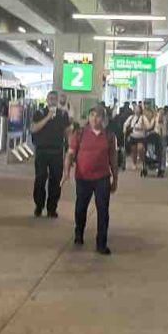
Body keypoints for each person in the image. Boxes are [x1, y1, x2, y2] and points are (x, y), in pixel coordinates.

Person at [64, 104, 118, 255]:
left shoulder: (109, 136)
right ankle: (79, 232)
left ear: (103, 118)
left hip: (102, 178)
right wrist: (66, 171)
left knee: (103, 210)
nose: (95, 118)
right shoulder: (79, 133)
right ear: (88, 117)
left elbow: (113, 157)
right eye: (92, 115)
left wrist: (115, 178)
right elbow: (70, 153)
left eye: (98, 115)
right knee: (81, 207)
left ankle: (101, 243)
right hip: (83, 177)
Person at [30, 90, 70, 217]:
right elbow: (33, 128)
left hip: (57, 151)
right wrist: (48, 117)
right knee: (40, 178)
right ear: (46, 100)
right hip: (42, 150)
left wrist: (70, 148)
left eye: (54, 98)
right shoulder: (39, 112)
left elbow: (67, 132)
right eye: (50, 98)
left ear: (57, 100)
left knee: (55, 180)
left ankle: (52, 208)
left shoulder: (63, 114)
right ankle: (39, 205)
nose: (52, 101)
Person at [125, 101, 152, 172]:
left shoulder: (143, 118)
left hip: (141, 137)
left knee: (140, 149)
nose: (136, 110)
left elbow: (149, 126)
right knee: (133, 150)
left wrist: (142, 128)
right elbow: (126, 124)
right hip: (133, 136)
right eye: (135, 109)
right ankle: (134, 163)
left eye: (138, 109)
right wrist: (125, 130)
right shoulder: (131, 117)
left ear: (140, 110)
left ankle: (143, 162)